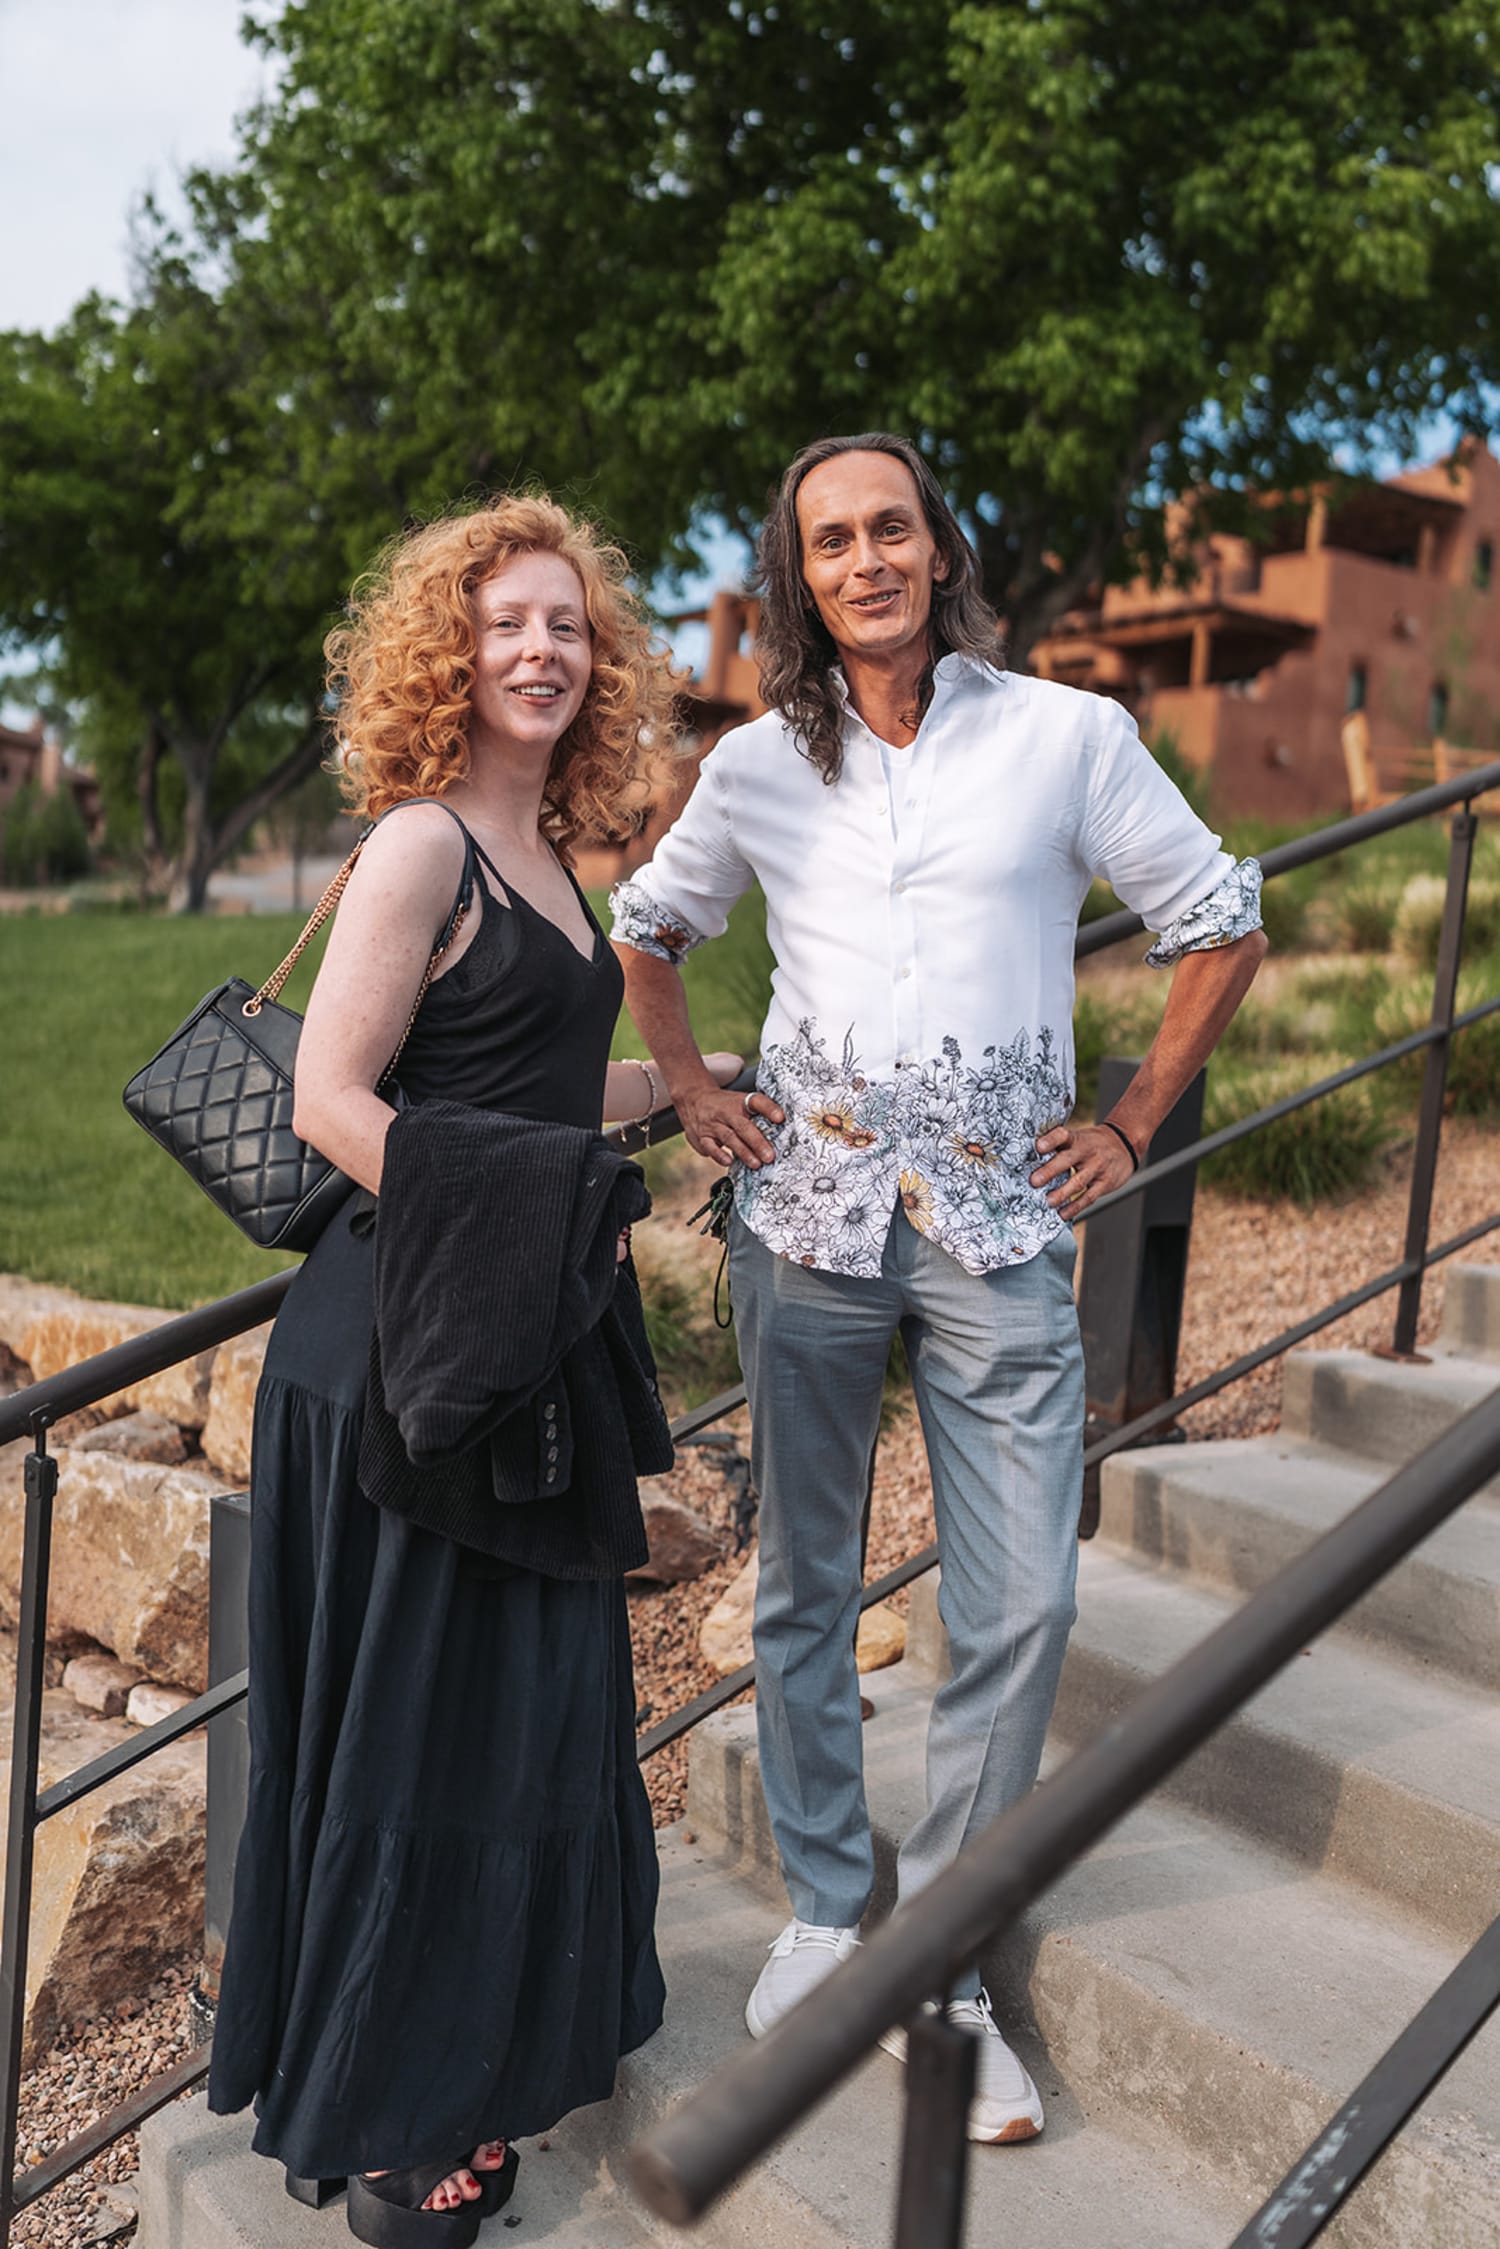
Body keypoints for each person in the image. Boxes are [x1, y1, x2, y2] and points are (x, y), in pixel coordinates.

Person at [611, 432, 1268, 2145]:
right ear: (800, 578)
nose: (865, 560)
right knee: (803, 1580)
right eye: (830, 541)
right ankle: (833, 1902)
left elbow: (1222, 916)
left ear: (935, 545)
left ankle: (947, 1946)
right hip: (808, 1216)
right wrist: (690, 1088)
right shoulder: (755, 767)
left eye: (888, 527)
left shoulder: (1069, 737)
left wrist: (1131, 1118)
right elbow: (648, 924)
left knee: (1026, 1599)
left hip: (1001, 1222)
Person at [207, 495, 737, 2246]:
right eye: (508, 622)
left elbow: (513, 1095)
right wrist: (545, 1201)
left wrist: (682, 1082)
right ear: (454, 646)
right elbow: (331, 1102)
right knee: (413, 1743)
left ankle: (474, 2043)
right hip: (396, 1366)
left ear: (602, 665)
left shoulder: (557, 860)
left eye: (568, 627)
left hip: (507, 1349)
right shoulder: (421, 844)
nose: (540, 649)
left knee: (507, 1729)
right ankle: (388, 2121)